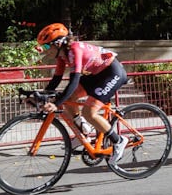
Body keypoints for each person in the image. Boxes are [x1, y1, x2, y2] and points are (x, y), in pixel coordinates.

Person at [37, 23, 132, 160]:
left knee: (89, 112)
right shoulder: (62, 56)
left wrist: (56, 103)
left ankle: (118, 140)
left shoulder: (75, 50)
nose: (45, 50)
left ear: (58, 43)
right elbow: (56, 79)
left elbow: (74, 80)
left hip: (112, 72)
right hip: (97, 74)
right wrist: (42, 96)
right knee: (69, 100)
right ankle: (83, 132)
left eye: (46, 46)